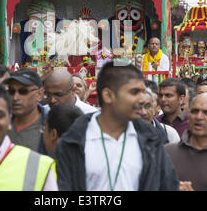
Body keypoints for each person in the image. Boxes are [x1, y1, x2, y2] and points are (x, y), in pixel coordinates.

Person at [55, 62, 179, 191]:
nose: (142, 100)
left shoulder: (152, 139)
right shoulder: (73, 141)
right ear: (108, 95)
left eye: (142, 92)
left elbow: (168, 185)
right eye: (134, 92)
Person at [3, 69, 49, 153]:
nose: (15, 98)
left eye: (23, 91)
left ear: (39, 94)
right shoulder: (2, 123)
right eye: (11, 91)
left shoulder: (50, 128)